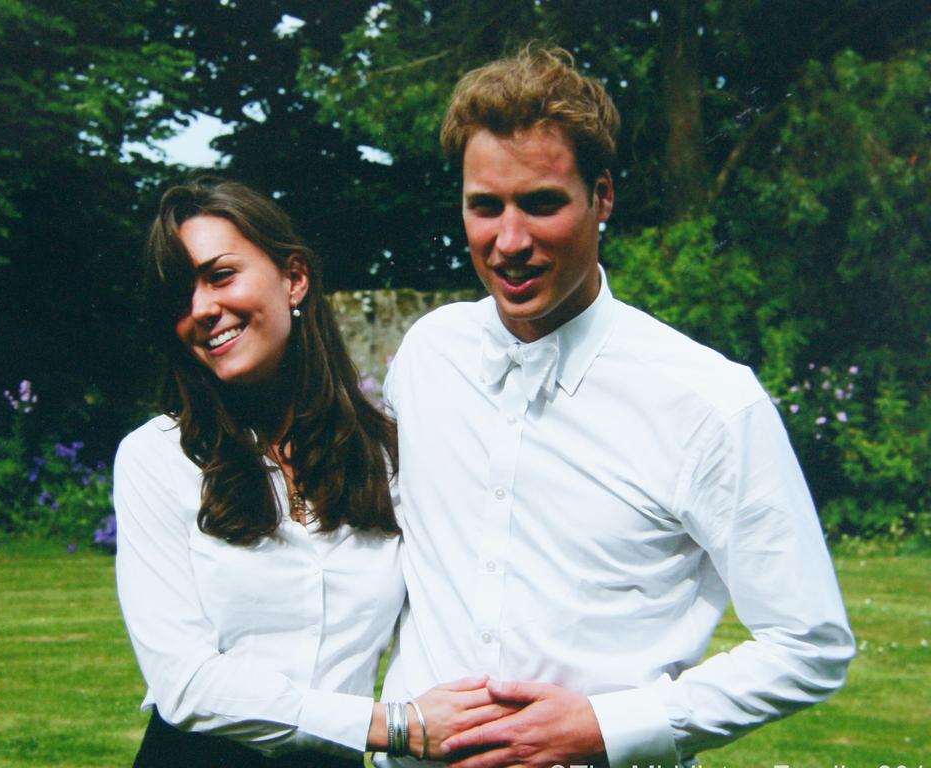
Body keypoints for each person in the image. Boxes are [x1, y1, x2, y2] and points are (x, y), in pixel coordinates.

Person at [377, 47, 855, 768]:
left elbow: (811, 644)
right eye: (486, 206)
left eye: (542, 203)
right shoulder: (427, 357)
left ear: (601, 197)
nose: (509, 241)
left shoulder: (708, 403)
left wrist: (607, 725)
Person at [113, 178, 510, 767]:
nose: (200, 309)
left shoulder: (389, 458)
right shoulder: (157, 458)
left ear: (294, 278)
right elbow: (185, 684)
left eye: (221, 276)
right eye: (180, 296)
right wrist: (391, 726)